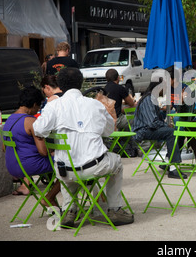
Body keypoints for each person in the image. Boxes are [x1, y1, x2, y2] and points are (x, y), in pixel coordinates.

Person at [33, 67, 134, 227]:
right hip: (94, 166)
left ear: (60, 84)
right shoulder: (95, 105)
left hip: (65, 170)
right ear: (81, 83)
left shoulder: (54, 106)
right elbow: (108, 131)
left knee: (66, 163)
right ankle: (114, 209)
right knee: (116, 162)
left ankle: (69, 210)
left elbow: (38, 129)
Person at [2, 86, 60, 206]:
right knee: (70, 166)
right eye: (39, 106)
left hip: (13, 167)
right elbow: (43, 152)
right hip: (30, 165)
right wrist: (53, 149)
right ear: (34, 104)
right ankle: (50, 197)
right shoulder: (31, 121)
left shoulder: (9, 120)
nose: (38, 110)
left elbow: (4, 148)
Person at [131, 78, 186, 179]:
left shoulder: (153, 99)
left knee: (177, 132)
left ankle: (167, 162)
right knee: (172, 133)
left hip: (148, 128)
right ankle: (173, 168)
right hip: (142, 131)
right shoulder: (148, 99)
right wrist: (166, 126)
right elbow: (152, 123)